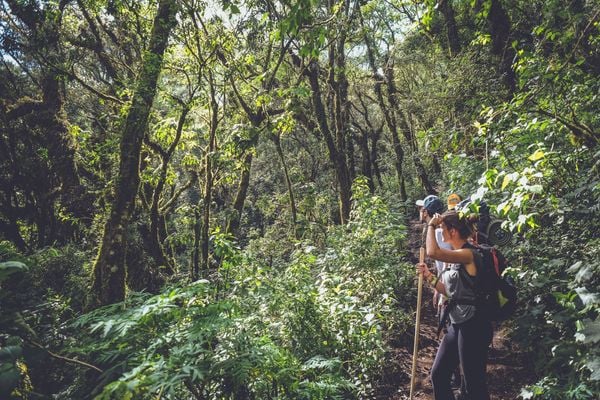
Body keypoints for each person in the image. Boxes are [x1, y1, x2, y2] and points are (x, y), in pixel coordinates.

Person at [416, 210, 493, 400]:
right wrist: (429, 277)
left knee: (474, 385)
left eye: (443, 228)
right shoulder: (457, 257)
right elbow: (451, 291)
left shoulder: (469, 254)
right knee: (439, 374)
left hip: (474, 325)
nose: (441, 232)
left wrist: (431, 225)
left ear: (453, 231)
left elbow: (433, 252)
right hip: (457, 323)